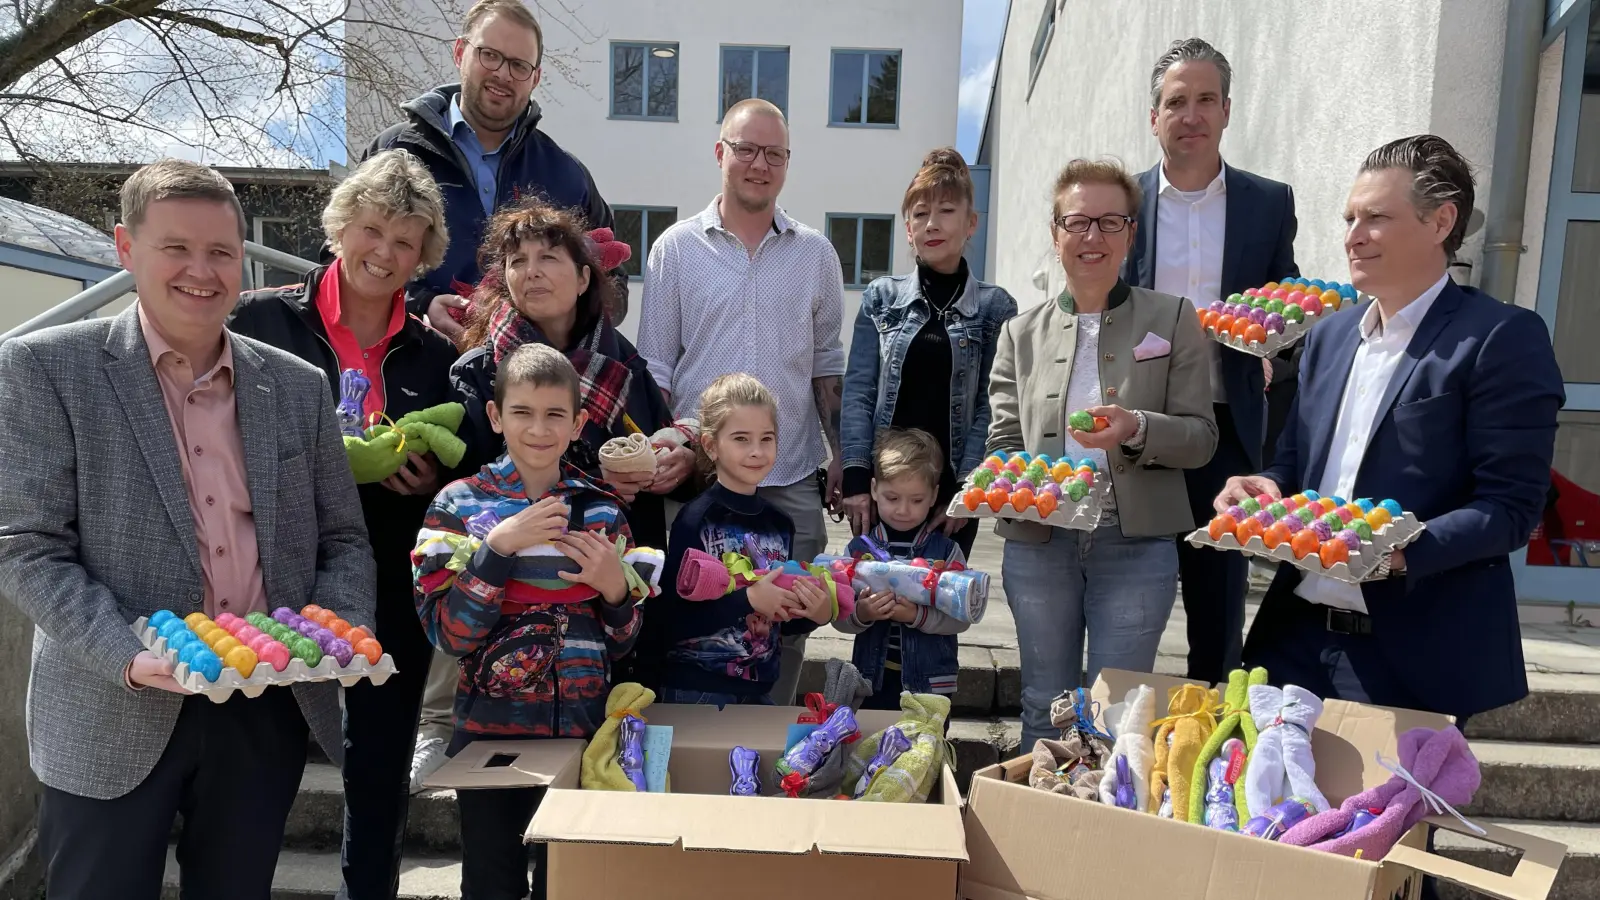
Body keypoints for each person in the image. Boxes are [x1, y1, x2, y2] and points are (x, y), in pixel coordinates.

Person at [0, 159, 375, 899]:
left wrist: (340, 630)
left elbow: (345, 541)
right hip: (114, 701)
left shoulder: (297, 386)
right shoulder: (45, 369)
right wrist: (129, 655)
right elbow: (26, 547)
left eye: (221, 252)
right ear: (126, 248)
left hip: (263, 704)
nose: (201, 271)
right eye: (177, 248)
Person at [1216, 134, 1564, 900]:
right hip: (1296, 638)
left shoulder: (1501, 338)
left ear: (1440, 223)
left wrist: (1398, 553)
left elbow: (1511, 509)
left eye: (1374, 218)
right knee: (1267, 843)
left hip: (1411, 651)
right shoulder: (1335, 331)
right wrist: (1264, 488)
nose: (1352, 236)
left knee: (1388, 866)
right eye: (1347, 218)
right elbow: (1296, 461)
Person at [227, 149, 454, 900]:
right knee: (259, 756)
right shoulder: (261, 320)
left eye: (406, 240)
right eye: (373, 229)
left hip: (391, 574)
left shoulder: (435, 354)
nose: (385, 252)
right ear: (340, 226)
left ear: (424, 255)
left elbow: (454, 476)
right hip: (272, 573)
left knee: (381, 763)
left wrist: (427, 483)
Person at [408, 200, 687, 790]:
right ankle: (437, 722)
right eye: (517, 259)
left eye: (549, 258)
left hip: (585, 595)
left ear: (585, 276)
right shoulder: (477, 367)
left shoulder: (623, 365)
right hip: (498, 607)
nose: (531, 270)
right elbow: (469, 475)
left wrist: (663, 465)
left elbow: (656, 441)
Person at [991, 159, 1218, 749]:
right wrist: (1010, 489)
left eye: (1110, 222)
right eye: (1078, 221)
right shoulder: (1019, 333)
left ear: (1131, 234)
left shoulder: (1172, 319)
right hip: (1041, 543)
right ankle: (1037, 828)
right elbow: (1003, 441)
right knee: (1047, 704)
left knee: (1116, 711)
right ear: (1056, 232)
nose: (1092, 237)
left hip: (1135, 543)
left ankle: (1102, 832)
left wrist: (1137, 427)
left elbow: (1201, 438)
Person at [413, 343, 647, 900]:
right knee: (491, 882)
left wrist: (616, 590)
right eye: (521, 412)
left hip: (580, 736)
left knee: (566, 884)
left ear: (579, 424)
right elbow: (448, 634)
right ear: (495, 416)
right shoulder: (458, 507)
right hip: (490, 742)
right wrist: (498, 548)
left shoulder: (603, 510)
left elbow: (623, 643)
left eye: (554, 415)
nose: (538, 429)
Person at [637, 98, 847, 705]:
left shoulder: (816, 254)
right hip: (700, 484)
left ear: (787, 163)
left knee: (784, 626)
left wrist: (839, 458)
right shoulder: (675, 250)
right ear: (720, 152)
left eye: (774, 154)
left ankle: (768, 760)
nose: (760, 164)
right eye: (747, 149)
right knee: (696, 621)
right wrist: (667, 450)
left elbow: (827, 365)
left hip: (791, 476)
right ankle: (693, 759)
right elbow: (658, 371)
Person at [1121, 37, 1299, 684]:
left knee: (1219, 610)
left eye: (1204, 100)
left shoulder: (1268, 202)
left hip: (1226, 429)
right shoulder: (1125, 205)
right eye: (1175, 102)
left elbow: (1288, 300)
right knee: (1125, 602)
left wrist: (1278, 349)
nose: (1190, 115)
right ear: (1154, 117)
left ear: (1226, 109)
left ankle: (1212, 747)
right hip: (1137, 426)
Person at [363, 0, 619, 340]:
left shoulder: (567, 176)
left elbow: (613, 283)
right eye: (489, 55)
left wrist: (559, 320)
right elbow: (343, 258)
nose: (502, 73)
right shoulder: (395, 153)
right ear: (459, 52)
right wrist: (418, 305)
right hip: (409, 364)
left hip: (533, 382)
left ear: (535, 78)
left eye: (518, 65)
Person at [840, 148, 1018, 558]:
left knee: (936, 609)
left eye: (946, 211)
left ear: (971, 223)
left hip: (948, 499)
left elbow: (992, 408)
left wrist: (965, 491)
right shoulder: (881, 298)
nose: (931, 224)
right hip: (883, 493)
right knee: (871, 603)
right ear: (908, 228)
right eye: (920, 214)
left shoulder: (996, 308)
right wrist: (855, 477)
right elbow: (859, 392)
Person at [652, 374, 835, 707]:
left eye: (767, 438)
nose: (756, 451)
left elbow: (778, 618)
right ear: (710, 445)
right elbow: (670, 621)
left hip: (759, 692)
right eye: (741, 439)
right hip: (696, 693)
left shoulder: (780, 523)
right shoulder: (696, 520)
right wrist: (748, 599)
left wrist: (817, 614)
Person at [832, 428, 969, 708]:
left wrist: (918, 615)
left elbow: (963, 615)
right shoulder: (858, 551)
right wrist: (861, 612)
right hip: (872, 681)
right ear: (873, 490)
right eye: (892, 498)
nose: (903, 510)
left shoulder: (946, 551)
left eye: (916, 500)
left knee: (925, 750)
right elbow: (837, 615)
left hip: (930, 687)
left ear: (934, 496)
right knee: (870, 749)